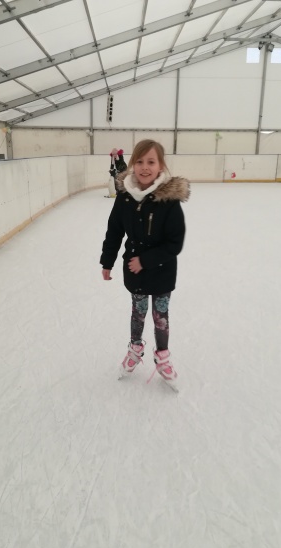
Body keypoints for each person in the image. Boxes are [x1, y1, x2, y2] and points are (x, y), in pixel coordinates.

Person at [100, 139, 189, 388]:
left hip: (161, 271)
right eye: (139, 161)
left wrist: (145, 260)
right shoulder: (125, 197)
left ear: (161, 166)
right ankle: (135, 349)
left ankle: (162, 357)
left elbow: (175, 242)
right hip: (134, 271)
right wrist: (107, 261)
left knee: (160, 316)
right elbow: (114, 231)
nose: (145, 167)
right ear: (132, 164)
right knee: (138, 313)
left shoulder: (169, 201)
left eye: (151, 162)